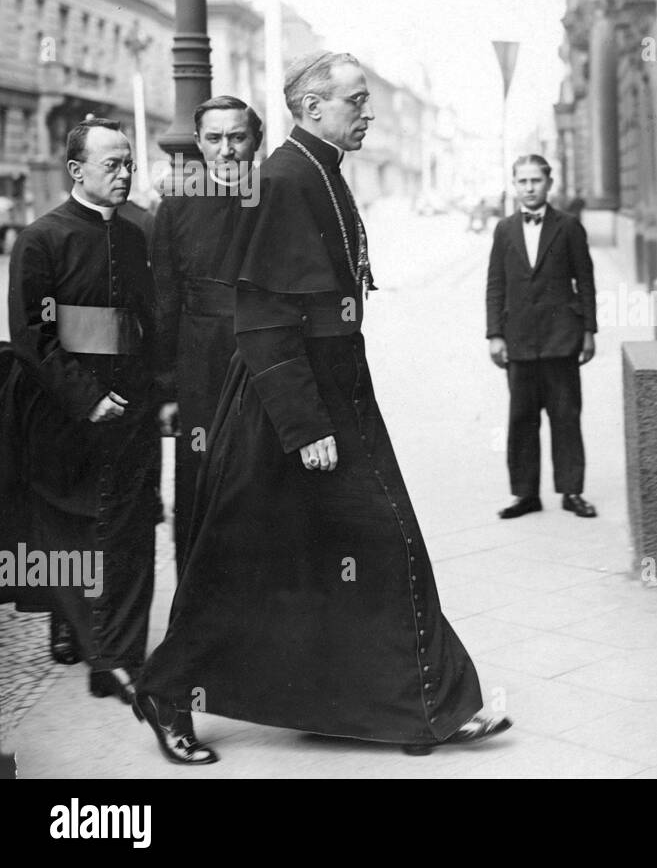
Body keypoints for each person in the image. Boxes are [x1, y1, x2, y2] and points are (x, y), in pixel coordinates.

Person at [132, 52, 509, 764]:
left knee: (359, 548)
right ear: (311, 108)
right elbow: (265, 319)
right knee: (257, 557)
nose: (367, 113)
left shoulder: (319, 168)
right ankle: (168, 691)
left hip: (332, 389)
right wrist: (306, 428)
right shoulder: (284, 178)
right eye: (355, 102)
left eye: (366, 100)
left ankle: (416, 707)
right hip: (293, 404)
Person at [4, 118, 162, 705]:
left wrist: (157, 394)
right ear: (76, 171)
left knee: (132, 528)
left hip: (133, 410)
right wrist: (88, 397)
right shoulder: (41, 240)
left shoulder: (137, 233)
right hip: (65, 414)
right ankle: (100, 650)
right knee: (76, 530)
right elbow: (33, 335)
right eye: (112, 165)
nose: (125, 174)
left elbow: (149, 323)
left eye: (129, 164)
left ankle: (119, 659)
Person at [152, 95, 261, 574]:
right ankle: (193, 602)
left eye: (237, 137)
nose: (227, 150)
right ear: (198, 143)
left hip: (263, 359)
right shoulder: (177, 204)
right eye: (214, 139)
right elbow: (164, 300)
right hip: (199, 365)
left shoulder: (274, 197)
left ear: (255, 141)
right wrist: (167, 389)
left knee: (260, 480)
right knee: (198, 478)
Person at [486, 155, 598, 519]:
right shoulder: (504, 229)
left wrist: (588, 331)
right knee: (521, 420)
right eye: (523, 181)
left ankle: (571, 491)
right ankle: (525, 494)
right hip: (518, 340)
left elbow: (586, 282)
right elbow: (495, 285)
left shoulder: (568, 226)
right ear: (514, 185)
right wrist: (495, 335)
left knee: (565, 415)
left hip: (560, 338)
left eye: (536, 180)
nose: (530, 187)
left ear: (549, 183)